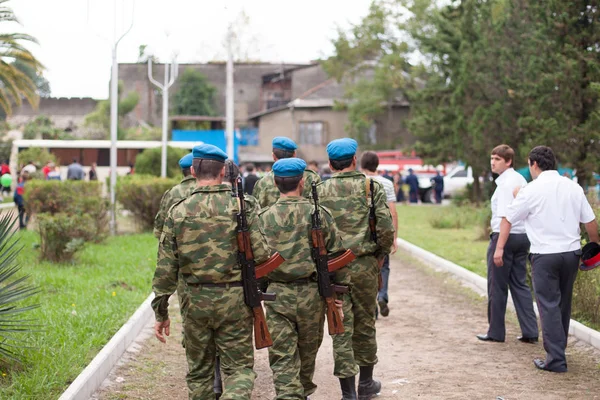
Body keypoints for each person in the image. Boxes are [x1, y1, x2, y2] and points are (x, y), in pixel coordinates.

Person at [152, 144, 272, 399]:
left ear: (193, 171)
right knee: (239, 370)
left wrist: (161, 311)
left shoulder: (178, 211)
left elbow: (165, 269)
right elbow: (263, 255)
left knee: (198, 373)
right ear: (222, 172)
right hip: (235, 301)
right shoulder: (242, 207)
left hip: (195, 302)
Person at [505, 146, 599, 372]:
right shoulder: (573, 187)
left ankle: (555, 360)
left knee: (548, 305)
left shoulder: (530, 189)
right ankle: (559, 350)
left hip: (545, 255)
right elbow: (590, 222)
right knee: (563, 304)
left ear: (534, 164)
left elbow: (510, 217)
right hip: (571, 253)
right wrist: (595, 247)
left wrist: (517, 195)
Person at [259, 157, 345, 400]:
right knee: (307, 357)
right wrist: (336, 294)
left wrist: (260, 292)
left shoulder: (263, 218)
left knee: (283, 359)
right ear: (303, 181)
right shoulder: (320, 214)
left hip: (277, 296)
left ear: (275, 183)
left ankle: (291, 394)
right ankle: (299, 393)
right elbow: (337, 256)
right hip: (312, 296)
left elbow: (256, 262)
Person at [317, 138, 395, 400]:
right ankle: (366, 383)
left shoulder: (318, 189)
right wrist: (381, 256)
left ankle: (347, 392)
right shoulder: (370, 186)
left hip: (331, 268)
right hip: (364, 266)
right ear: (354, 160)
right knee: (365, 324)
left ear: (330, 164)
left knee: (340, 327)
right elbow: (385, 228)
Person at [476, 145, 538, 344]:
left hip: (505, 236)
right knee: (520, 284)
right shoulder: (520, 179)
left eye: (497, 159)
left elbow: (505, 217)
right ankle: (530, 331)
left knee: (497, 285)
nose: (493, 162)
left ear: (508, 161)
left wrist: (499, 247)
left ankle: (495, 332)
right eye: (492, 158)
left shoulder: (505, 184)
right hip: (522, 237)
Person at [360, 151, 398, 318]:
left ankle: (372, 305)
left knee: (367, 268)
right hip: (382, 232)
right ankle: (382, 296)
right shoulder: (387, 183)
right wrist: (394, 237)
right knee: (384, 266)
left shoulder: (359, 183)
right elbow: (393, 212)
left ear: (361, 165)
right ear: (377, 165)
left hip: (364, 233)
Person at [252, 137, 321, 208]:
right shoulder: (312, 178)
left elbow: (257, 210)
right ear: (294, 154)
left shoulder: (262, 183)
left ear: (273, 156)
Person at [153, 153, 196, 239]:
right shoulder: (206, 189)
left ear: (183, 172)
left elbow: (159, 227)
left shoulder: (172, 193)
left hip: (177, 245)